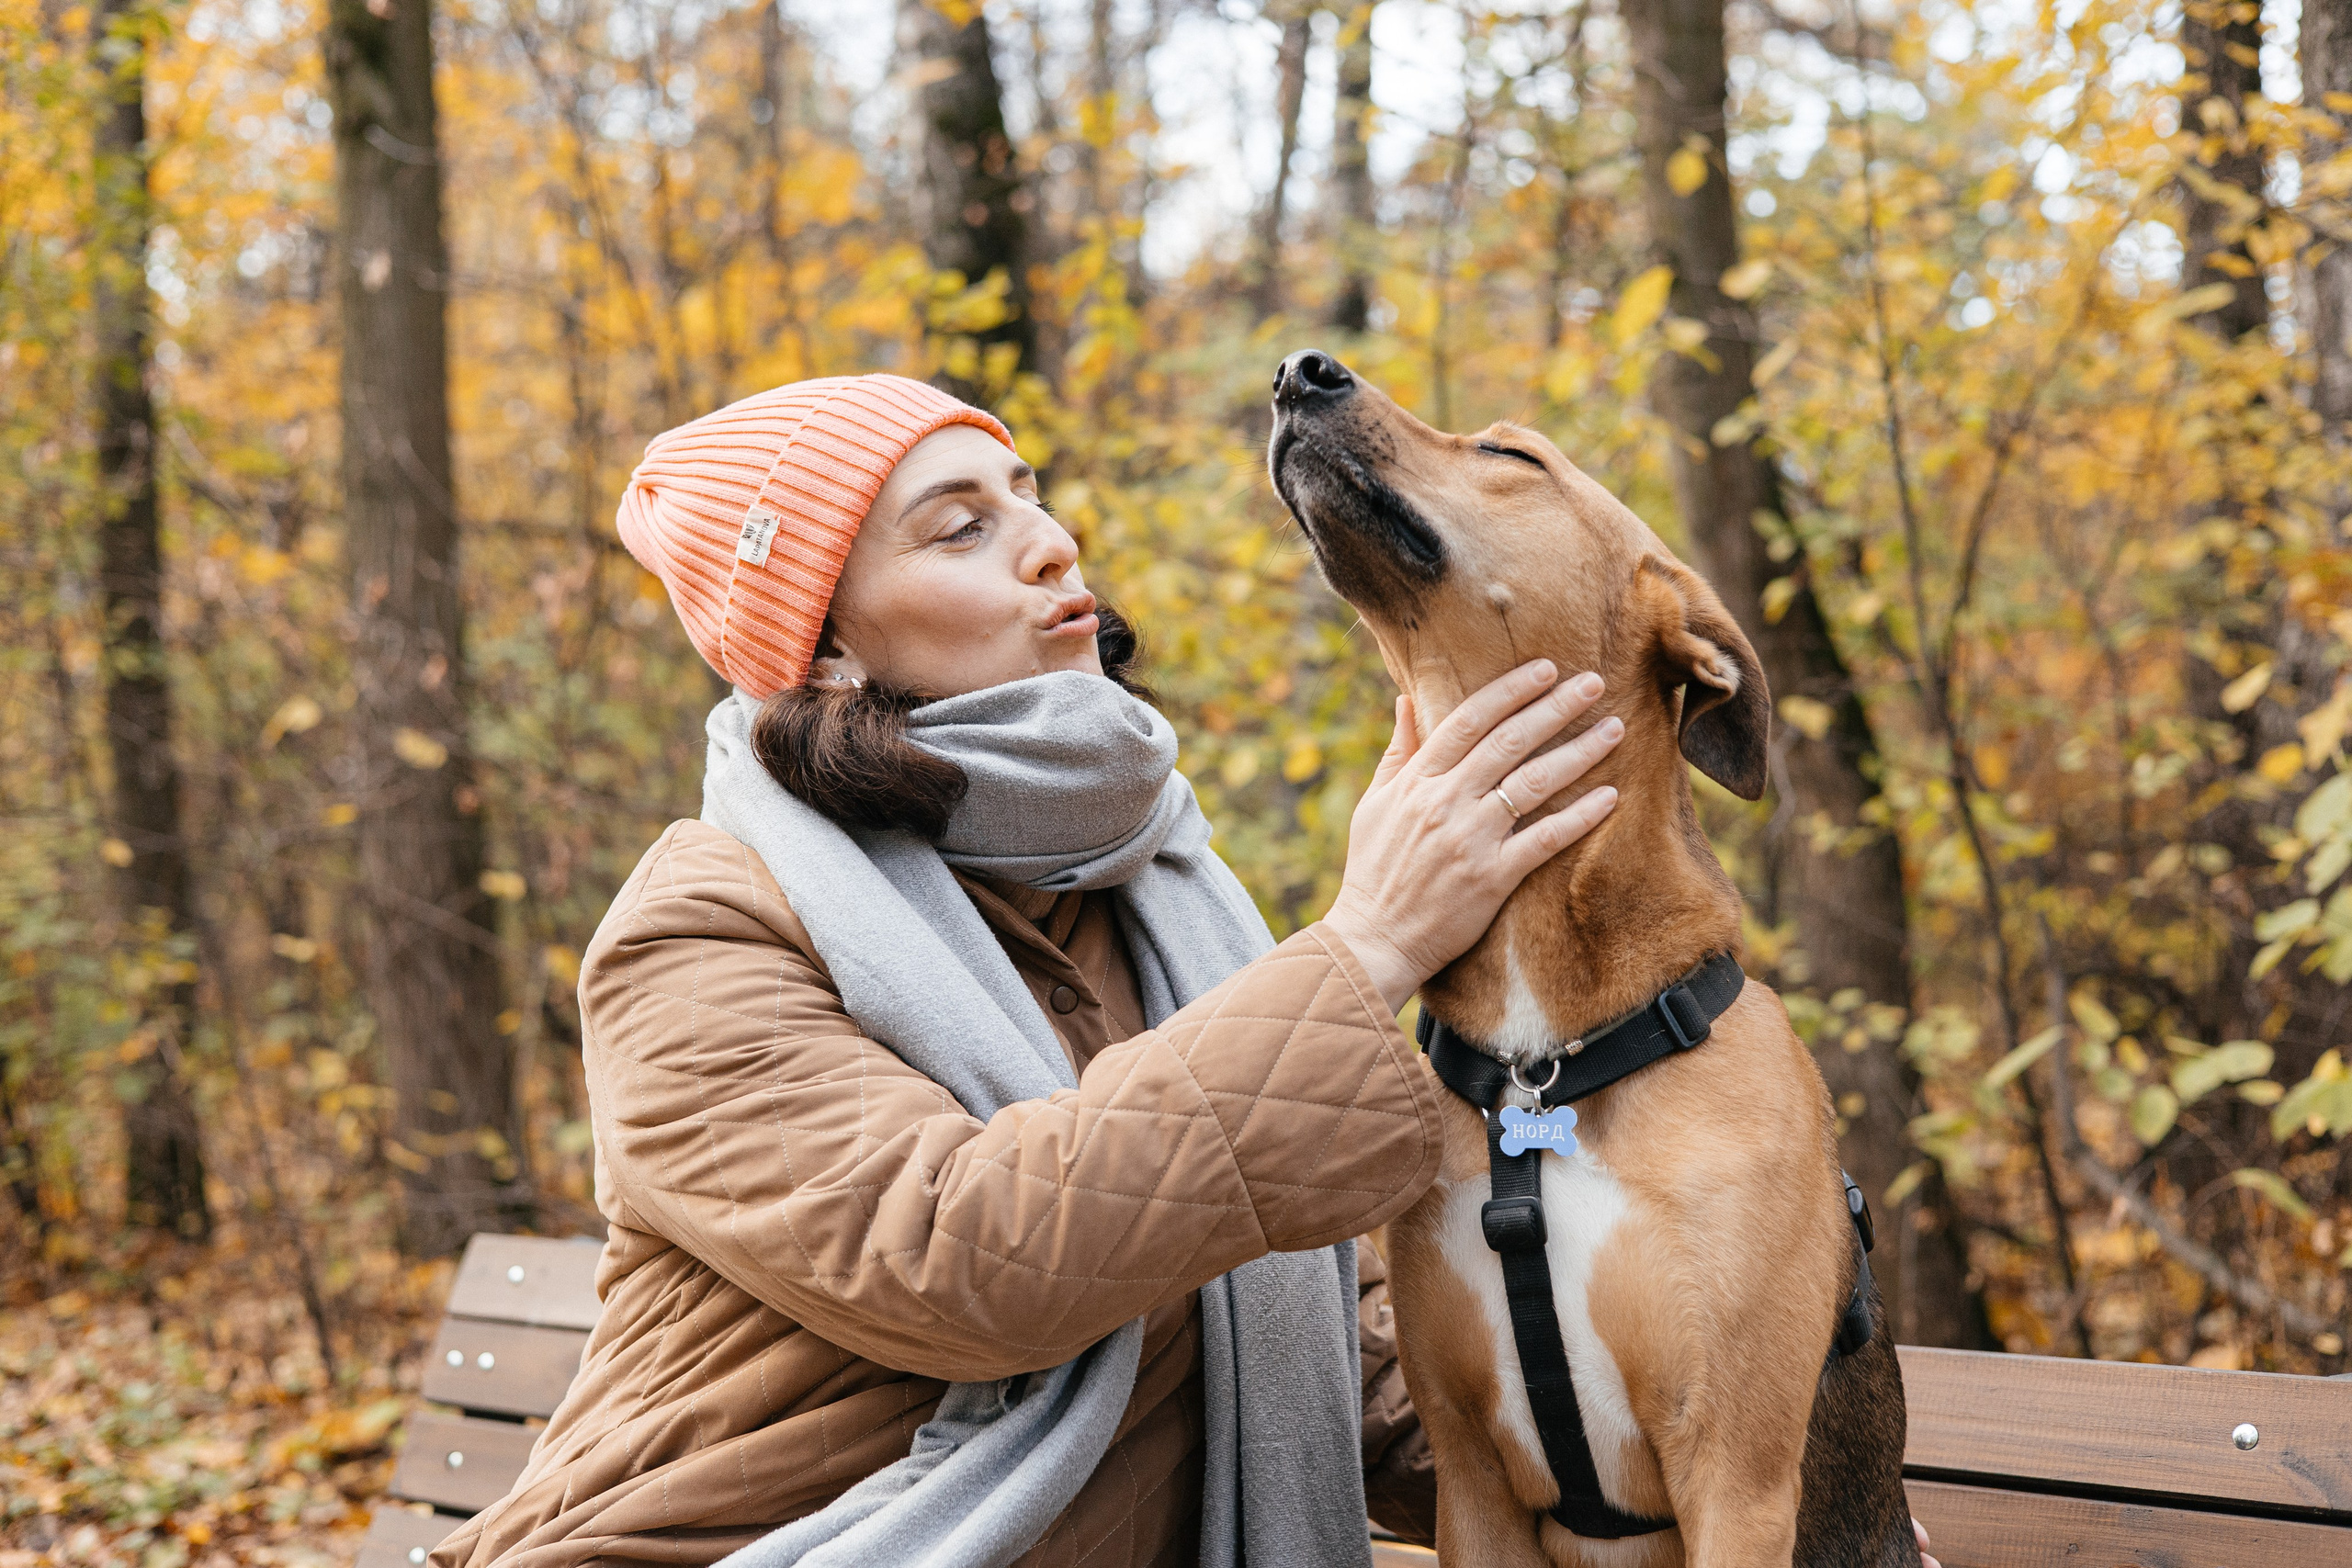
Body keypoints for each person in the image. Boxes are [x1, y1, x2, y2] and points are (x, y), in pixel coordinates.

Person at [432, 374, 1938, 1568]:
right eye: (958, 529)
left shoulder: (1152, 894)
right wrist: (1364, 948)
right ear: (822, 650)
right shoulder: (701, 927)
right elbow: (961, 1260)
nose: (1048, 541)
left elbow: (1351, 1365)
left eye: (1032, 497)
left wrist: (1758, 1428)